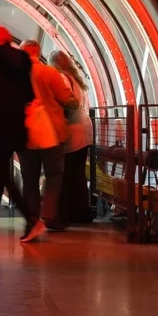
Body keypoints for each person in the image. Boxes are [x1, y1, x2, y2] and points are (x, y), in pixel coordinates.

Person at [0, 26, 46, 242]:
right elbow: (29, 93)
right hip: (16, 123)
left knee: (2, 174)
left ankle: (32, 220)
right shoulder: (21, 60)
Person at [19, 40, 77, 231]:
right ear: (38, 52)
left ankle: (33, 218)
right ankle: (49, 213)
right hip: (52, 132)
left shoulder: (15, 75)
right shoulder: (49, 72)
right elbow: (68, 100)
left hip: (25, 134)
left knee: (29, 177)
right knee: (53, 174)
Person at [49, 50, 94, 226]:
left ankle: (66, 214)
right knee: (78, 174)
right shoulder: (77, 79)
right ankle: (81, 213)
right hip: (86, 129)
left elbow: (64, 103)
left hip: (73, 131)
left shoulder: (61, 78)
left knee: (66, 174)